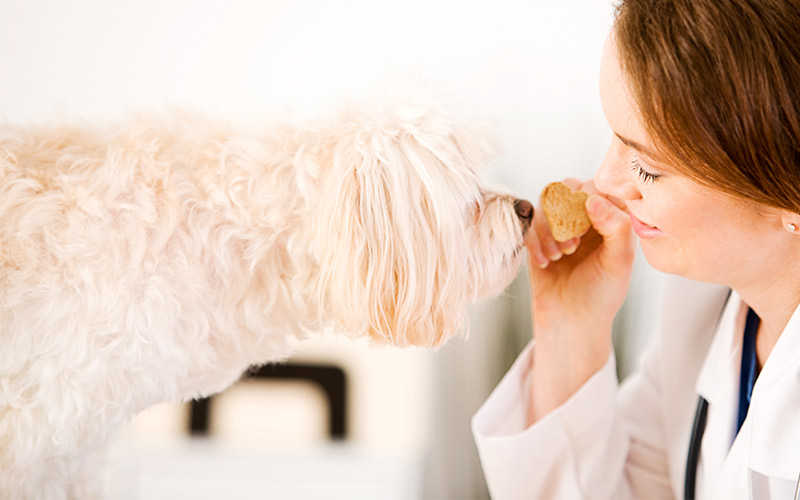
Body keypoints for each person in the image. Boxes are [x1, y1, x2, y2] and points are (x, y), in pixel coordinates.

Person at [472, 0, 800, 498]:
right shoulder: (702, 315)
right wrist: (570, 331)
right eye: (615, 136)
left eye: (647, 167)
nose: (605, 180)